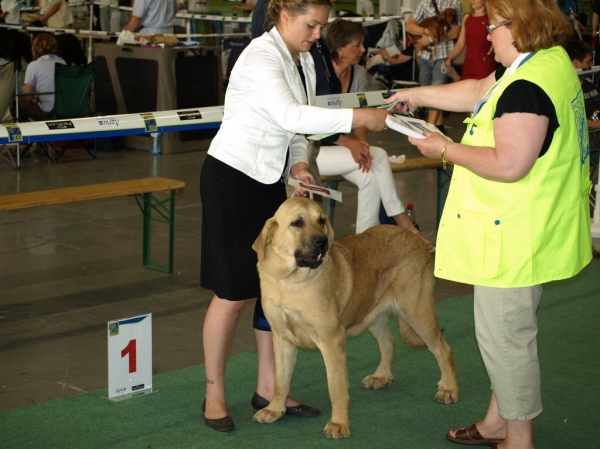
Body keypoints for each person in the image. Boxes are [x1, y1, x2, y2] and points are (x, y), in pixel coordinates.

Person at [386, 0, 591, 447]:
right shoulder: (547, 63)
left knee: (506, 342)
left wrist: (444, 148)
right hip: (536, 225)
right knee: (509, 335)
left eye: (492, 27)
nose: (484, 37)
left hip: (513, 234)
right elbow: (480, 87)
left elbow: (510, 163)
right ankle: (499, 421)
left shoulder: (527, 86)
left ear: (517, 28)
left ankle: (518, 439)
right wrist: (418, 95)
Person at [199, 0, 388, 433]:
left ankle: (271, 389)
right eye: (311, 24)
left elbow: (296, 132)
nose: (317, 34)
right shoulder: (260, 56)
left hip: (269, 181)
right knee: (231, 295)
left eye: (321, 26)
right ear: (284, 14)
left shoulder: (301, 60)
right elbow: (290, 114)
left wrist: (299, 165)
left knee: (274, 288)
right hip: (231, 179)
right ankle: (214, 394)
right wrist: (359, 116)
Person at [317, 19, 433, 249]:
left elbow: (361, 114)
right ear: (339, 48)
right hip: (311, 150)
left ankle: (364, 246)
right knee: (378, 156)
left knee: (370, 175)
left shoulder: (358, 74)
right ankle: (404, 224)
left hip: (339, 148)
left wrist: (360, 144)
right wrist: (349, 143)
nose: (363, 50)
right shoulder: (321, 75)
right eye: (357, 45)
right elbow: (313, 124)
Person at [406, 0, 463, 133]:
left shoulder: (454, 3)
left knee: (437, 90)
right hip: (426, 54)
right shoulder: (425, 2)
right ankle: (438, 126)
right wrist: (426, 31)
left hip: (444, 53)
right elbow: (409, 26)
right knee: (425, 88)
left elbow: (455, 32)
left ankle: (429, 129)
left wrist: (431, 39)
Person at [18, 33, 66, 120]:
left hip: (47, 111)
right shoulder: (62, 62)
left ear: (34, 48)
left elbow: (28, 97)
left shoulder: (34, 65)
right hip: (65, 108)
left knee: (16, 103)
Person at [446, 0, 496, 80]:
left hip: (485, 65)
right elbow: (460, 43)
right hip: (468, 64)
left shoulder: (491, 18)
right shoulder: (466, 18)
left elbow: (496, 39)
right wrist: (450, 58)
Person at [565, 39, 600, 130]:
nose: (592, 65)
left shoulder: (587, 81)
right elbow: (570, 119)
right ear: (576, 63)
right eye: (588, 62)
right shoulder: (566, 88)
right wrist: (597, 124)